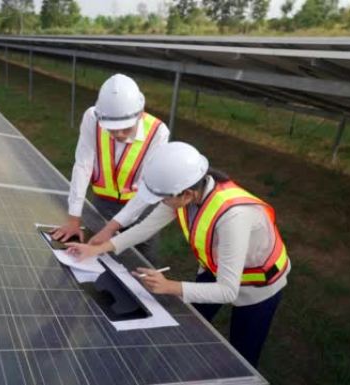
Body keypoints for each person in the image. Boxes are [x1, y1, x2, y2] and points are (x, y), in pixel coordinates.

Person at [67, 142, 290, 368]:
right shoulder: (185, 194)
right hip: (215, 268)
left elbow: (227, 290)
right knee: (192, 325)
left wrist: (169, 287)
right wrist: (97, 249)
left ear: (187, 194)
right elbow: (145, 228)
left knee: (242, 356)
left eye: (163, 198)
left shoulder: (233, 217)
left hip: (258, 286)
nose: (161, 202)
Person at [51, 74, 170, 263]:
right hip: (103, 204)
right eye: (112, 129)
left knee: (144, 264)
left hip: (141, 207)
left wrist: (111, 228)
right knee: (100, 260)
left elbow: (147, 188)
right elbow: (83, 165)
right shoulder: (92, 117)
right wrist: (74, 218)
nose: (119, 134)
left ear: (140, 114)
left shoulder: (158, 132)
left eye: (125, 129)